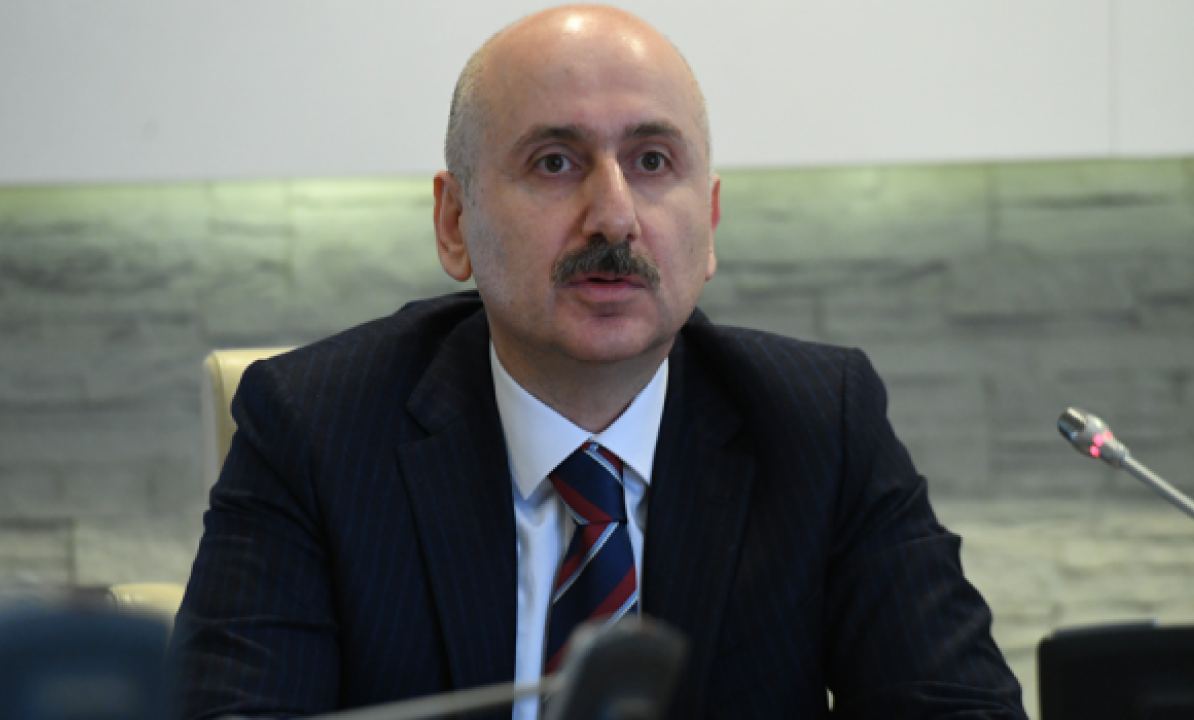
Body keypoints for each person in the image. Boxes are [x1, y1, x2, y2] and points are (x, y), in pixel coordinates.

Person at [171, 5, 1027, 719]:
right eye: (556, 163)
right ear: (454, 222)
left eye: (652, 162)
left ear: (710, 223)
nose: (614, 216)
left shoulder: (819, 424)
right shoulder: (314, 431)